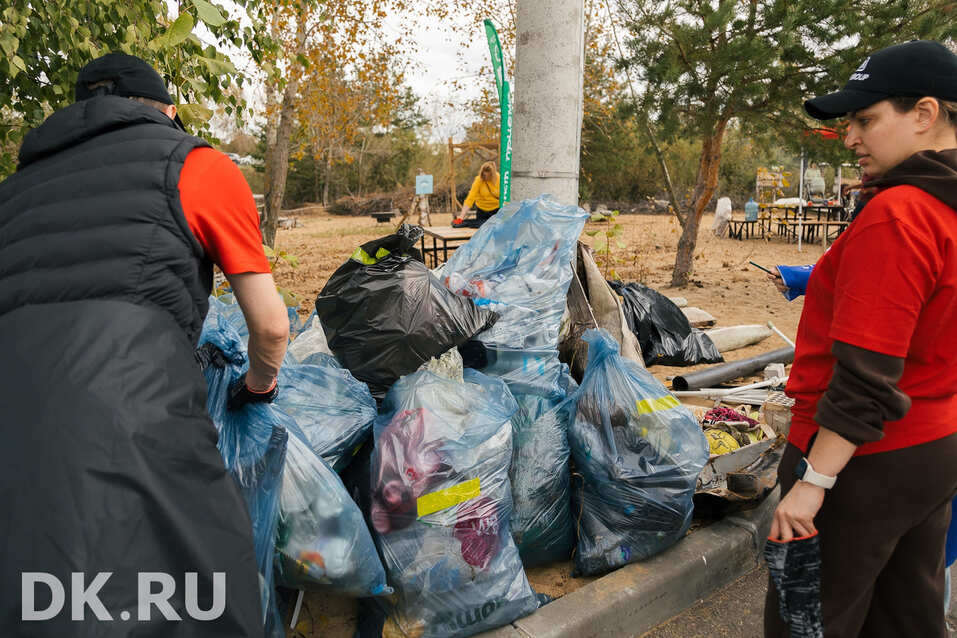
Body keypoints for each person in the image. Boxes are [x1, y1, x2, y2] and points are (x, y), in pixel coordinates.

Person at [0, 53, 289, 637]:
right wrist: (259, 386)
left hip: (13, 429)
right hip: (134, 412)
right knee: (203, 592)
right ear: (169, 111)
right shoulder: (196, 165)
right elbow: (272, 326)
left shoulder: (13, 194)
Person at [765, 40, 957, 638]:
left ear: (924, 115)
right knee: (906, 613)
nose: (850, 137)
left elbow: (866, 374)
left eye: (865, 119)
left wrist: (812, 484)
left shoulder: (903, 213)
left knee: (810, 619)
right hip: (934, 447)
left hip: (859, 459)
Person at [454, 160, 500, 227]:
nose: (485, 178)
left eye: (488, 176)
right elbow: (470, 199)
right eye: (484, 175)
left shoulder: (500, 179)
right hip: (482, 212)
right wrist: (461, 217)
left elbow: (505, 198)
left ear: (493, 175)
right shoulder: (479, 180)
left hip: (496, 211)